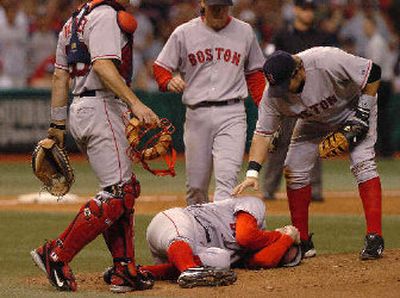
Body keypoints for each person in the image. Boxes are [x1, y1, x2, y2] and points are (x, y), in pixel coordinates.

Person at [30, 0, 159, 293]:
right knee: (118, 192)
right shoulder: (105, 15)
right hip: (101, 105)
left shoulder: (72, 22)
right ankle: (56, 254)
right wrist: (135, 103)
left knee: (122, 190)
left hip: (82, 106)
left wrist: (58, 125)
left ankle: (123, 268)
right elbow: (102, 66)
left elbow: (61, 75)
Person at [233, 47, 384, 261]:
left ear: (299, 70)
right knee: (294, 168)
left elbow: (373, 72)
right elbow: (262, 135)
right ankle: (303, 241)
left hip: (352, 109)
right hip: (314, 120)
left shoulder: (325, 60)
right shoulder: (273, 94)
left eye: (286, 84)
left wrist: (362, 113)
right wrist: (252, 173)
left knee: (363, 163)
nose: (282, 91)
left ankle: (375, 237)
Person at [152, 0, 266, 205]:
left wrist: (264, 108)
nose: (220, 11)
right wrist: (168, 81)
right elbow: (160, 67)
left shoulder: (244, 31)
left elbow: (255, 73)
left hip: (232, 113)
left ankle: (222, 235)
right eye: (215, 6)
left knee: (227, 183)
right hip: (197, 114)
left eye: (224, 6)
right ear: (203, 4)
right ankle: (198, 233)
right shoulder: (184, 33)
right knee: (196, 187)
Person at [104, 196, 302, 288]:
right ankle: (189, 269)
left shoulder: (245, 256)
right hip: (174, 223)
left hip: (184, 252)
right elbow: (246, 236)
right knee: (184, 237)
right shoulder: (255, 207)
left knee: (221, 261)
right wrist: (283, 236)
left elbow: (264, 261)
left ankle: (135, 273)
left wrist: (287, 238)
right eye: (285, 250)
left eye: (282, 255)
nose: (280, 252)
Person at [263, 0, 334, 202]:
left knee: (312, 143)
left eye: (311, 9)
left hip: (313, 99)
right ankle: (269, 188)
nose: (308, 13)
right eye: (305, 9)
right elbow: (269, 63)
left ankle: (315, 190)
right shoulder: (282, 35)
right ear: (295, 10)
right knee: (279, 144)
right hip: (286, 99)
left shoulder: (322, 36)